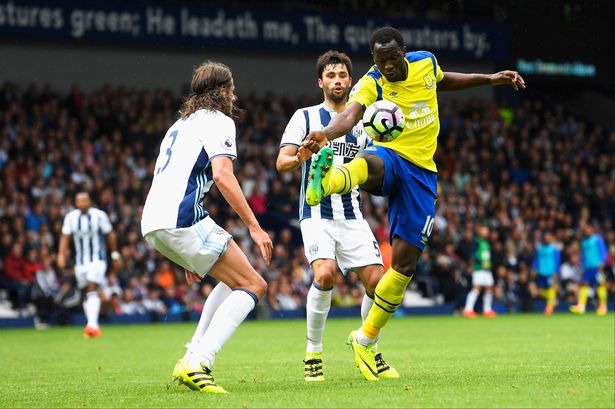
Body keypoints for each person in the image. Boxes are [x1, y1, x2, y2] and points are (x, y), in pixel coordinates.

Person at [300, 27, 525, 381]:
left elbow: (444, 80)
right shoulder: (371, 82)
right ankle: (326, 182)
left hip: (423, 173)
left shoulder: (425, 63)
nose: (387, 65)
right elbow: (352, 114)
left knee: (403, 267)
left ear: (404, 52)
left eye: (392, 58)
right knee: (370, 162)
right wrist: (326, 134)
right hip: (391, 155)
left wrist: (490, 79)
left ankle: (365, 340)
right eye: (379, 60)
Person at [140, 61, 272, 394]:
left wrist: (186, 256)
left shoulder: (179, 124)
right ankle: (199, 360)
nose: (235, 94)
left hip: (154, 222)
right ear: (223, 92)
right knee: (255, 285)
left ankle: (192, 354)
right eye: (232, 88)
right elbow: (222, 176)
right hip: (181, 218)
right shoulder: (220, 121)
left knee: (234, 279)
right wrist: (255, 227)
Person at [276, 50, 397, 382]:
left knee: (378, 283)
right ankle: (313, 353)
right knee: (325, 275)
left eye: (342, 75)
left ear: (350, 80)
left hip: (352, 214)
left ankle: (365, 344)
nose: (337, 80)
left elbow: (373, 168)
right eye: (330, 76)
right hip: (315, 215)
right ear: (321, 82)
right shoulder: (305, 117)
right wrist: (303, 153)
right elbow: (281, 162)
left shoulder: (364, 121)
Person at [57, 191, 119, 338]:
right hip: (80, 262)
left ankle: (92, 326)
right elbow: (65, 237)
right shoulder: (71, 218)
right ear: (76, 203)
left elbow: (110, 235)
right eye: (79, 201)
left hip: (97, 260)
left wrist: (115, 254)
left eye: (85, 200)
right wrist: (61, 254)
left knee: (91, 288)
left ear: (89, 201)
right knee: (86, 292)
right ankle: (92, 325)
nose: (82, 203)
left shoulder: (99, 215)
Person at [570, 224, 608, 315]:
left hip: (597, 266)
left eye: (588, 229)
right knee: (583, 285)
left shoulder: (597, 239)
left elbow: (603, 251)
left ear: (592, 230)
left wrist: (602, 262)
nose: (587, 231)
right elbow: (583, 255)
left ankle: (603, 306)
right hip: (587, 267)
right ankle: (581, 306)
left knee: (600, 285)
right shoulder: (583, 241)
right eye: (585, 230)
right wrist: (582, 265)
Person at [463, 224, 498, 318]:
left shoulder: (486, 242)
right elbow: (472, 255)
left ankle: (487, 310)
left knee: (489, 288)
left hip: (487, 269)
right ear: (479, 231)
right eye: (483, 230)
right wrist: (481, 262)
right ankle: (467, 309)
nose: (485, 232)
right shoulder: (476, 241)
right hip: (478, 268)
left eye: (486, 231)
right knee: (476, 288)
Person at [532, 231, 561, 315]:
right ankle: (552, 301)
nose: (547, 239)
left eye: (549, 237)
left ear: (552, 238)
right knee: (541, 290)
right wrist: (534, 268)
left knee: (551, 288)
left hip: (550, 273)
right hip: (541, 272)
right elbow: (536, 260)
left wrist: (556, 272)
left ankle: (549, 307)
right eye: (545, 237)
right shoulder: (540, 248)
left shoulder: (555, 249)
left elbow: (557, 261)